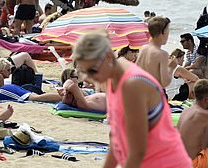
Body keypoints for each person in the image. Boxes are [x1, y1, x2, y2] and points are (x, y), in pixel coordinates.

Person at [73, 30, 191, 168]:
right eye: (84, 71)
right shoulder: (110, 76)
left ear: (109, 56)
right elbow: (116, 138)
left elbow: (137, 151)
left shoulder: (132, 84)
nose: (90, 77)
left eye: (92, 70)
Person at [177, 79, 208, 168]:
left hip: (179, 160)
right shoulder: (205, 116)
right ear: (207, 100)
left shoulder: (186, 111)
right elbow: (204, 146)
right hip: (193, 163)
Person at [136, 16, 172, 87]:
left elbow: (136, 70)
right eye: (168, 31)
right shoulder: (162, 54)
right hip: (153, 93)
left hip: (141, 90)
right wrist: (171, 68)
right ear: (163, 32)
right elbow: (165, 83)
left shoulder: (143, 48)